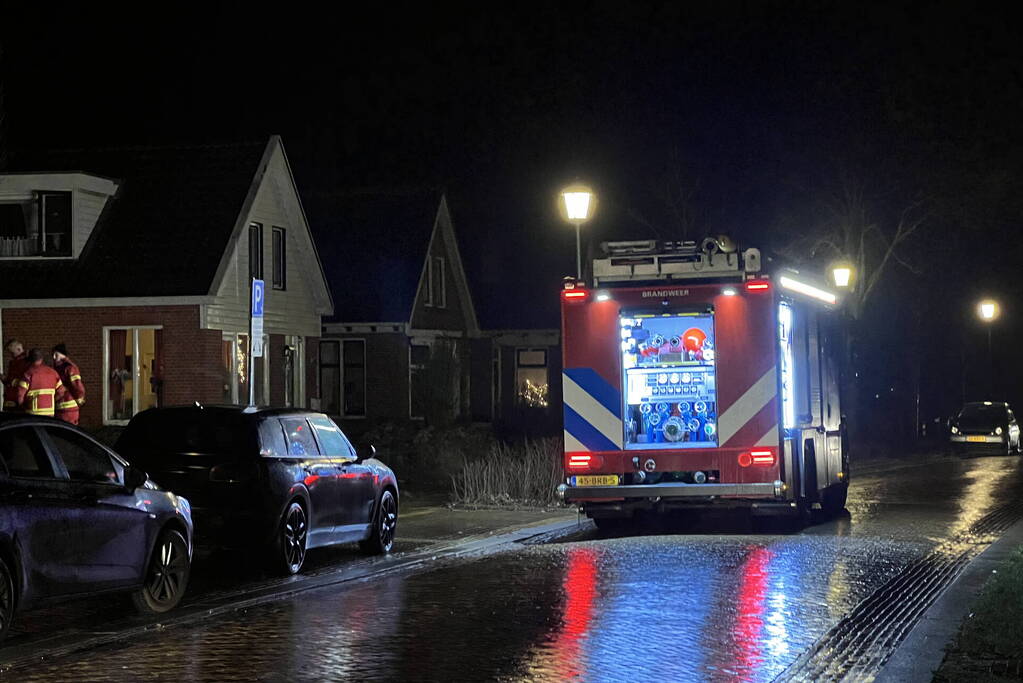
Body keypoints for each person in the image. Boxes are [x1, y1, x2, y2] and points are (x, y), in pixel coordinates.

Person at [16, 348, 66, 417]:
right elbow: (61, 392)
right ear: (42, 359)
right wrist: (51, 401)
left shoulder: (27, 374)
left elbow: (20, 395)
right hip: (49, 414)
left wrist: (23, 407)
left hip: (32, 414)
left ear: (29, 360)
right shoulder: (53, 373)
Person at [52, 343, 86, 425]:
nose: (54, 357)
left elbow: (77, 386)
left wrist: (79, 400)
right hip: (59, 406)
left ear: (63, 354)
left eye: (56, 354)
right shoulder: (58, 367)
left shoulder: (70, 368)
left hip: (69, 408)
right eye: (53, 354)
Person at [2, 339, 30, 412]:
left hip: (18, 401)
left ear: (19, 349)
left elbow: (22, 381)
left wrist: (7, 380)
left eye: (12, 353)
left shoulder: (25, 363)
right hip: (10, 399)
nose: (11, 356)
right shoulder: (14, 362)